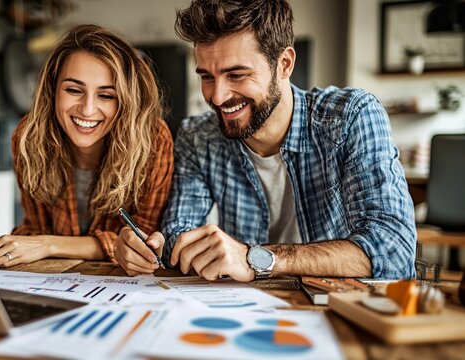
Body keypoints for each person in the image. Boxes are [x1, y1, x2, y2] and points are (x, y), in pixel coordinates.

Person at [115, 0, 416, 280]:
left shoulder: (350, 116)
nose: (217, 97)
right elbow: (179, 232)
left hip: (336, 307)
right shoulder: (198, 136)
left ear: (284, 64)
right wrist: (156, 247)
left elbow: (394, 251)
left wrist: (256, 258)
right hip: (244, 309)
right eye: (207, 77)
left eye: (236, 75)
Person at [0, 24, 173, 268]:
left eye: (106, 95)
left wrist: (48, 244)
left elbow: (144, 243)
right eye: (73, 90)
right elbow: (37, 229)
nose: (87, 109)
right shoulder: (28, 137)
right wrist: (36, 243)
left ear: (126, 101)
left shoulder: (153, 140)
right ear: (52, 90)